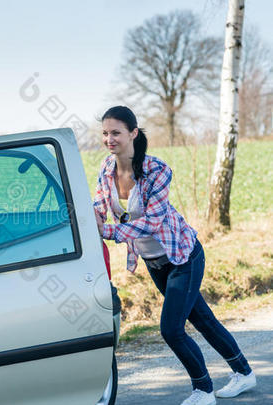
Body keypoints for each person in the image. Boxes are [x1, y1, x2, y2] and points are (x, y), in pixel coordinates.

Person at [92, 106, 256, 405]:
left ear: (133, 133)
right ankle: (243, 372)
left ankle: (203, 390)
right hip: (155, 263)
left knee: (171, 329)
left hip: (183, 256)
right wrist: (89, 219)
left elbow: (152, 222)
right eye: (105, 133)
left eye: (116, 132)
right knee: (204, 320)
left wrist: (110, 232)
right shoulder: (106, 170)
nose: (109, 139)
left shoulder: (157, 170)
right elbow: (99, 206)